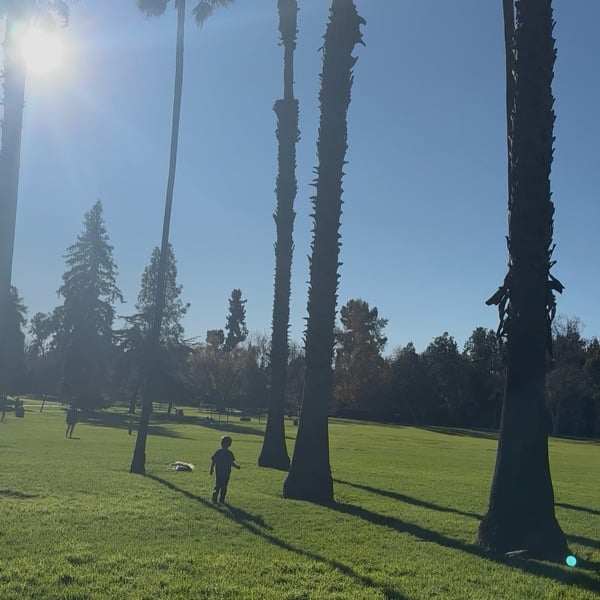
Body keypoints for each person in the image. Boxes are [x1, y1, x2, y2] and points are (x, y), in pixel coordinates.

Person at [210, 435, 240, 504]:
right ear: (230, 444)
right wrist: (236, 466)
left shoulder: (218, 452)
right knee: (224, 486)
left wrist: (211, 469)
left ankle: (214, 496)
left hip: (218, 472)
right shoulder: (230, 453)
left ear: (221, 443)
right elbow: (231, 463)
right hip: (226, 472)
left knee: (217, 484)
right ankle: (222, 499)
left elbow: (213, 461)